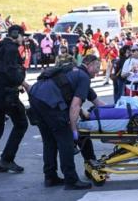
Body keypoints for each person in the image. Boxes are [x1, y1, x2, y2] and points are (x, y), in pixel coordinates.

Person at [28, 55, 105, 190]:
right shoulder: (83, 77)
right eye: (97, 67)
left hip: (35, 98)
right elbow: (75, 106)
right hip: (50, 103)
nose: (98, 71)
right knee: (66, 141)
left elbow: (97, 102)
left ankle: (50, 177)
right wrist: (74, 130)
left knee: (50, 140)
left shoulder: (73, 71)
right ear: (88, 64)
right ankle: (71, 180)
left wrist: (114, 110)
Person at [0, 25, 29, 173]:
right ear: (15, 34)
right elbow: (12, 72)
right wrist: (22, 81)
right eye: (21, 35)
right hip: (7, 94)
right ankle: (7, 159)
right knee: (21, 124)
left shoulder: (0, 46)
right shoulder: (11, 49)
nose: (23, 38)